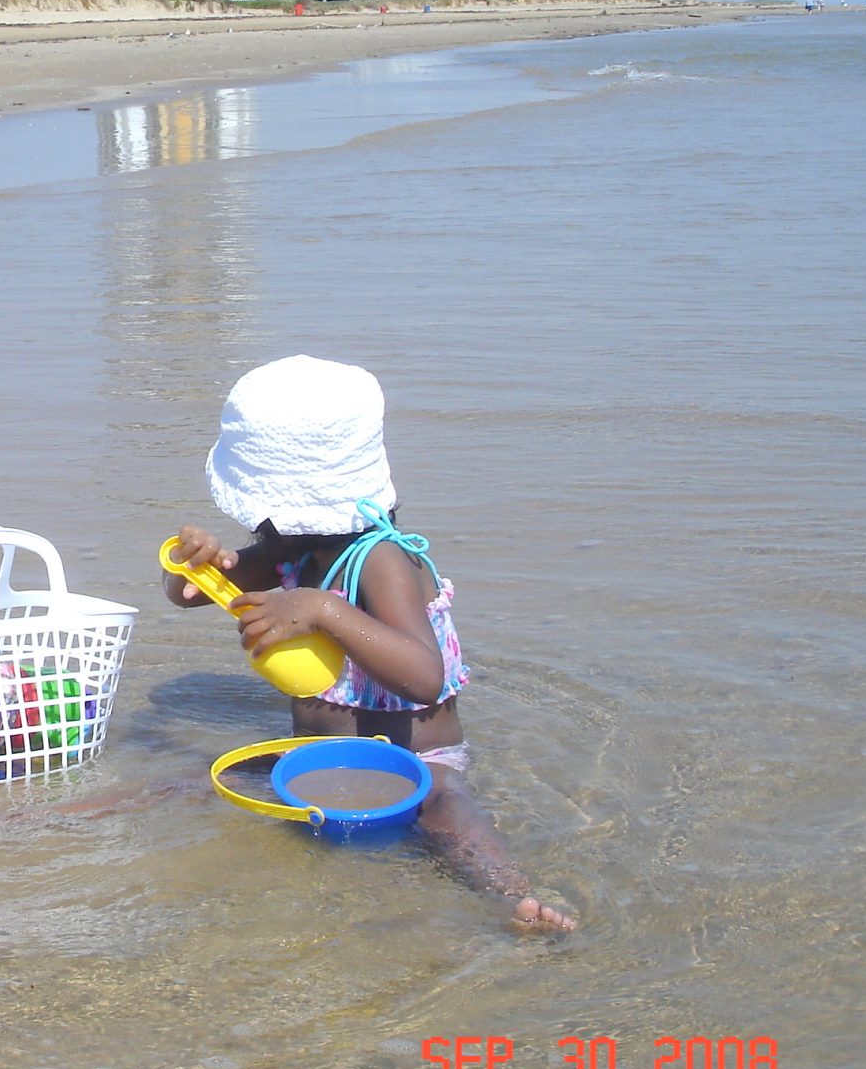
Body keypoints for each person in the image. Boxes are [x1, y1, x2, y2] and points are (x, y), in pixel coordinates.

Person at [163, 354, 576, 931]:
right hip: (316, 763)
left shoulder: (383, 560)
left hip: (417, 764)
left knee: (449, 811)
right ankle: (34, 820)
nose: (254, 527)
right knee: (193, 782)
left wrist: (322, 608)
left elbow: (424, 677)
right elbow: (187, 596)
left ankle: (509, 897)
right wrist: (194, 563)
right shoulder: (292, 551)